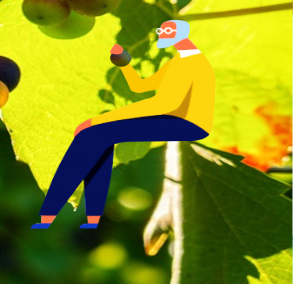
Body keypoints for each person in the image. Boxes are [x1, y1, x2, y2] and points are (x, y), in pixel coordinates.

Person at [32, 19, 214, 229]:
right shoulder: (178, 61)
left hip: (187, 124)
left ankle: (51, 213)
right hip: (174, 119)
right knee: (100, 139)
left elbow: (164, 104)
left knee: (92, 135)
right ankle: (88, 218)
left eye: (166, 31)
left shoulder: (192, 63)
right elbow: (140, 87)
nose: (161, 33)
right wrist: (125, 65)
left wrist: (98, 120)